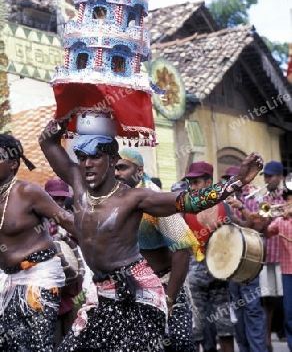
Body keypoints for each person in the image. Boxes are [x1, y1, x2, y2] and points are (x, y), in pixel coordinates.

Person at [38, 119, 263, 351]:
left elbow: (190, 202)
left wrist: (237, 182)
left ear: (112, 160)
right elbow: (48, 143)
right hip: (102, 292)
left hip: (135, 292)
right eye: (82, 157)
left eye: (95, 157)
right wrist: (66, 116)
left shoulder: (135, 198)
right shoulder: (78, 183)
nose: (87, 164)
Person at [115, 147, 198, 351]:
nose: (116, 173)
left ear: (139, 171)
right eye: (114, 169)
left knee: (179, 343)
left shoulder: (156, 202)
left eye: (122, 167)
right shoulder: (112, 202)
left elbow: (182, 248)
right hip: (130, 288)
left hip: (164, 286)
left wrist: (169, 299)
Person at [0, 134, 76, 351]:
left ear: (13, 163)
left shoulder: (28, 193)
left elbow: (70, 223)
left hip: (39, 276)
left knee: (37, 344)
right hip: (7, 280)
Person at [184, 161, 235, 352]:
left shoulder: (224, 207)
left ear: (208, 183)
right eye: (191, 183)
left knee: (224, 325)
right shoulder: (185, 207)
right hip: (200, 273)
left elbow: (231, 239)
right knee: (196, 328)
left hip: (218, 272)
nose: (193, 187)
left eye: (197, 182)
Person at [223, 166, 268, 352]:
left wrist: (241, 208)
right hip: (231, 263)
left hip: (249, 261)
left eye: (232, 181)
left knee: (252, 308)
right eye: (227, 181)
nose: (229, 185)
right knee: (238, 311)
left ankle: (258, 349)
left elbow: (259, 225)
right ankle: (244, 348)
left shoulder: (253, 199)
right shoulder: (222, 203)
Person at [45, 178, 84, 350]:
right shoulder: (37, 223)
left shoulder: (69, 222)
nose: (58, 203)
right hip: (45, 290)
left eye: (61, 199)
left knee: (68, 336)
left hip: (68, 291)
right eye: (54, 198)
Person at [258, 160, 286, 352]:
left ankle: (283, 331)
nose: (267, 180)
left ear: (280, 177)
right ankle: (267, 339)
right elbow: (262, 226)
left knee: (283, 298)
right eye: (266, 177)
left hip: (285, 255)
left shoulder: (287, 198)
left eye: (270, 176)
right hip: (268, 256)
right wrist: (266, 213)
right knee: (267, 300)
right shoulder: (264, 200)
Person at [260, 188, 292, 352]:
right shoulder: (280, 222)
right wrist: (266, 219)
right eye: (288, 200)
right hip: (287, 271)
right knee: (289, 311)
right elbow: (266, 234)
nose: (289, 204)